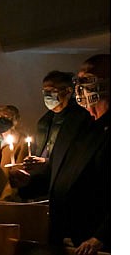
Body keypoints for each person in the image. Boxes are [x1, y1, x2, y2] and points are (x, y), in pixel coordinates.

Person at [11, 54, 110, 255]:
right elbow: (56, 174)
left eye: (88, 79)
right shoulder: (73, 124)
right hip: (61, 233)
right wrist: (27, 181)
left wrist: (102, 236)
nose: (81, 87)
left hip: (95, 242)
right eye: (79, 81)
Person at [17, 71, 92, 201]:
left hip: (69, 191)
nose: (47, 95)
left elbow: (77, 159)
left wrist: (47, 163)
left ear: (68, 91)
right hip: (44, 189)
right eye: (45, 91)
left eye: (52, 90)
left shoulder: (82, 119)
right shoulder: (44, 122)